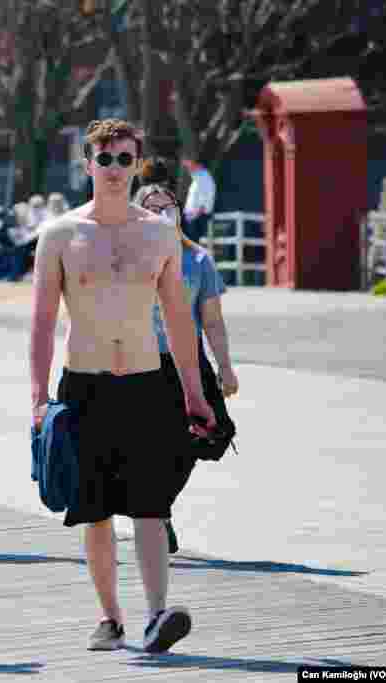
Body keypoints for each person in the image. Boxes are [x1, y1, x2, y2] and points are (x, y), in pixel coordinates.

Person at [28, 119, 216, 654]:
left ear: (137, 164)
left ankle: (158, 615)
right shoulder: (60, 234)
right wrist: (38, 396)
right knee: (95, 509)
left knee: (151, 503)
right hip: (84, 387)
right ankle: (110, 618)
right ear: (87, 164)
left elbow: (178, 317)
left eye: (124, 159)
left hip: (144, 383)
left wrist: (194, 393)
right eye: (104, 159)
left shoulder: (158, 233)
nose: (114, 169)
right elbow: (42, 321)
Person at [134, 159, 239, 554]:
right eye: (152, 208)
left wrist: (226, 367)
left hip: (189, 361)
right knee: (150, 445)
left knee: (198, 442)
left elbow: (212, 321)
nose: (162, 215)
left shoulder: (198, 259)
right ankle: (155, 515)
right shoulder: (126, 258)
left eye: (168, 208)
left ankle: (159, 510)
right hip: (141, 360)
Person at [181, 157, 216, 243]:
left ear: (198, 165)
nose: (188, 169)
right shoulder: (197, 179)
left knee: (193, 246)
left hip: (196, 218)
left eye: (190, 166)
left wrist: (195, 215)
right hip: (191, 217)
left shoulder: (205, 178)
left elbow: (206, 201)